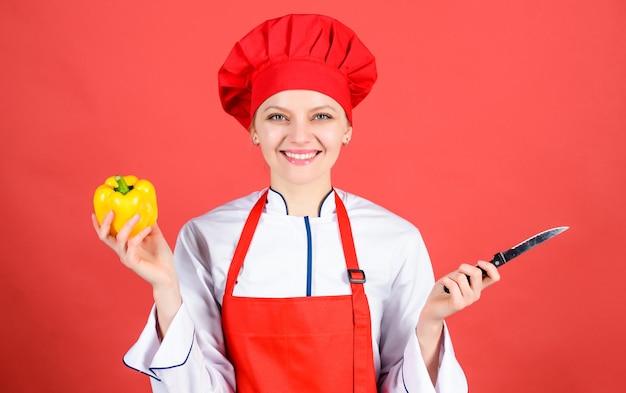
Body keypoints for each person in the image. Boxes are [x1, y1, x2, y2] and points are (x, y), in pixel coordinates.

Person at [92, 13, 500, 393]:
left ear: (347, 130)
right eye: (277, 117)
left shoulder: (396, 240)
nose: (300, 136)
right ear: (253, 129)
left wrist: (430, 324)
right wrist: (165, 287)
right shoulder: (204, 237)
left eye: (321, 116)